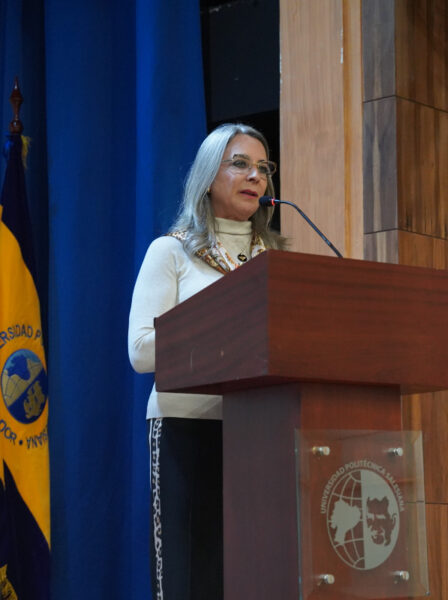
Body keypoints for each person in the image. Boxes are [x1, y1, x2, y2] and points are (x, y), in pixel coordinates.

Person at [128, 123, 285, 599]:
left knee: (249, 576)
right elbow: (140, 350)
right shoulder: (172, 252)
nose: (254, 175)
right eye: (239, 163)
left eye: (262, 167)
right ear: (207, 176)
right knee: (188, 577)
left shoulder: (277, 259)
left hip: (260, 433)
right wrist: (225, 335)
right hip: (186, 431)